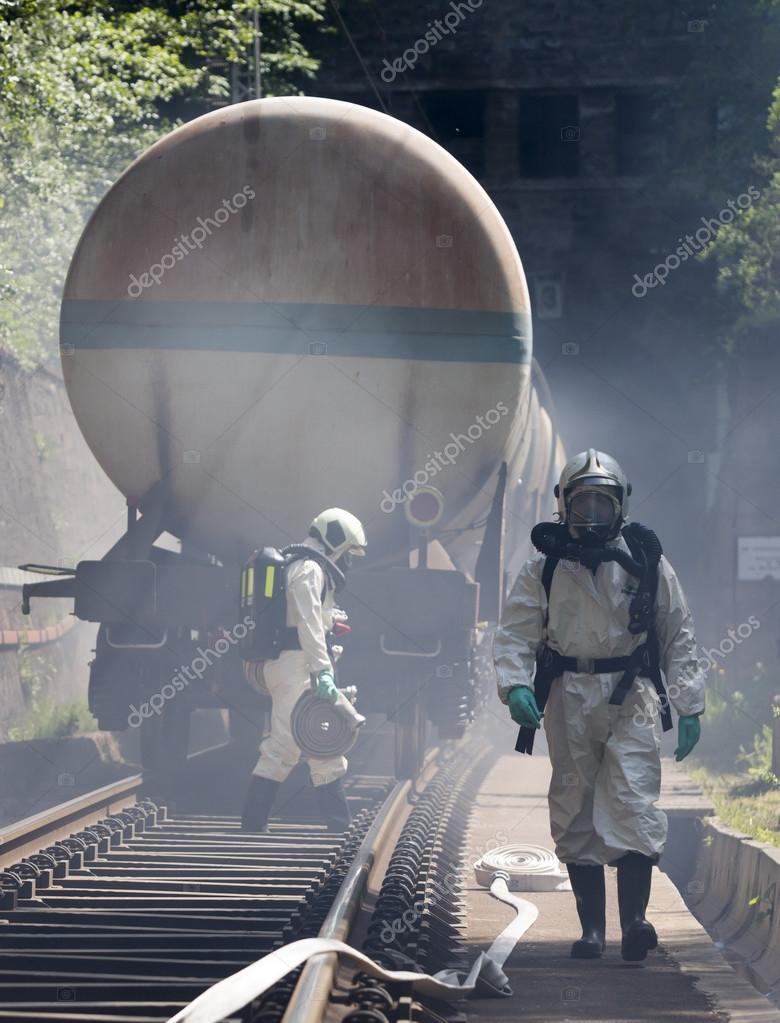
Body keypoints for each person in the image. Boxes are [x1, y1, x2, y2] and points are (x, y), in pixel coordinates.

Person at [494, 449, 704, 962]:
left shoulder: (647, 561)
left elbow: (677, 634)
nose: (591, 515)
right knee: (575, 806)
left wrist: (690, 703)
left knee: (633, 799)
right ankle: (593, 931)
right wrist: (516, 686)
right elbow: (516, 634)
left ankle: (635, 923)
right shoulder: (543, 566)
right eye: (582, 503)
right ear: (563, 506)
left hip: (631, 693)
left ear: (621, 506)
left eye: (601, 504)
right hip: (568, 695)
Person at [241, 508, 367, 833]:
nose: (346, 561)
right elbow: (307, 623)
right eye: (347, 553)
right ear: (336, 541)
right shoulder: (310, 568)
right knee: (309, 744)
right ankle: (336, 829)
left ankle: (257, 826)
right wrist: (322, 670)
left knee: (313, 742)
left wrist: (332, 621)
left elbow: (307, 616)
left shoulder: (299, 564)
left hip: (293, 665)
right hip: (296, 667)